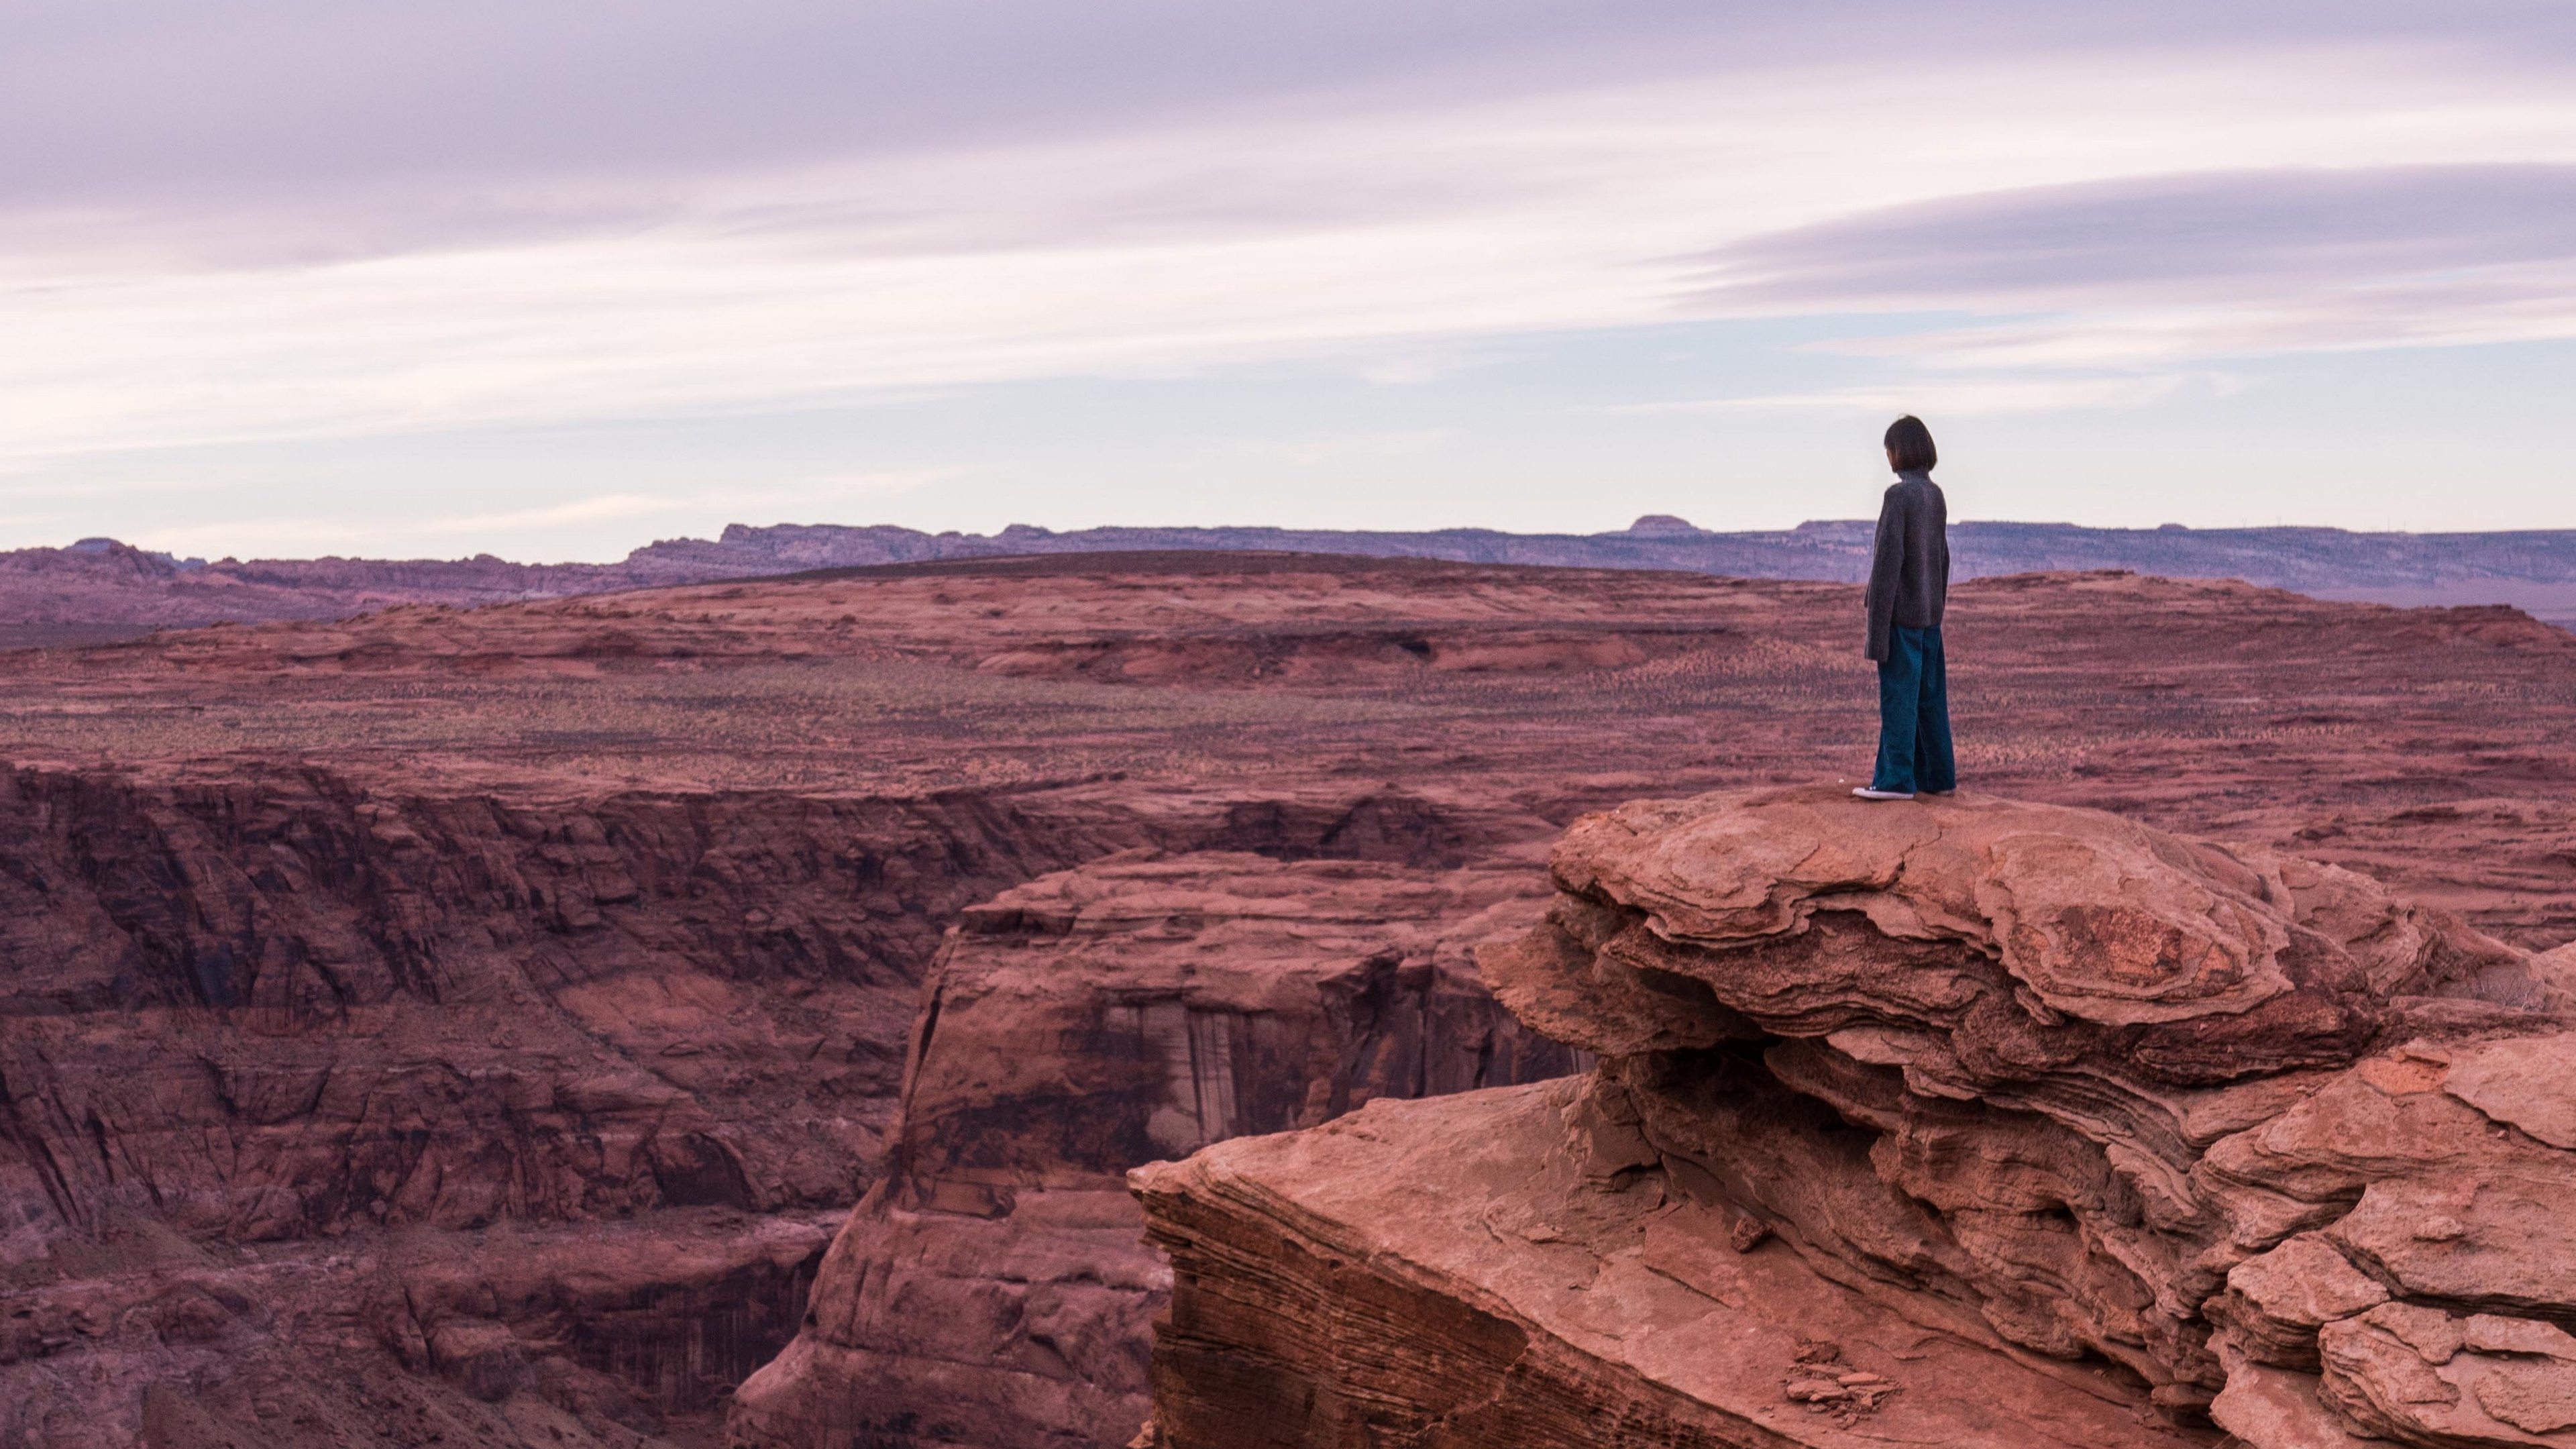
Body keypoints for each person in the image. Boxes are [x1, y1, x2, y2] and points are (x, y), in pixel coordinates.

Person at [1854, 416, 1955, 801]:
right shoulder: (1936, 496)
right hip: (1930, 618)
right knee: (1930, 700)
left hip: (1902, 620)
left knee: (1898, 699)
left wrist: (1875, 635)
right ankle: (1938, 777)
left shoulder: (1898, 497)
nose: (1888, 458)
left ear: (1900, 451)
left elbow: (1886, 566)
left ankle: (1896, 780)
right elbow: (1943, 560)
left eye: (1888, 450)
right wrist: (1937, 607)